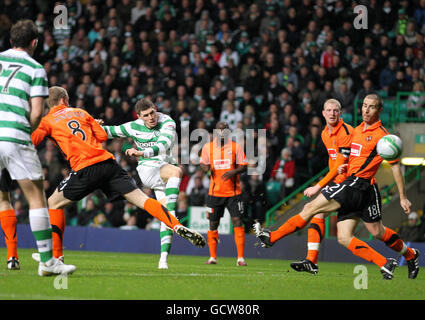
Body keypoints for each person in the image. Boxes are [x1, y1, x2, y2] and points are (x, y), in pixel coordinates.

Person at [30, 87, 205, 265]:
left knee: (53, 203)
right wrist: (91, 125)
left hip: (85, 168)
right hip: (109, 164)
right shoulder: (80, 112)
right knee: (143, 200)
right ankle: (176, 225)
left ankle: (56, 256)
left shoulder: (47, 121)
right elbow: (101, 136)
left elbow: (32, 140)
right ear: (64, 100)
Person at [255, 94, 420, 280]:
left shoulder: (383, 137)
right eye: (364, 105)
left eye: (371, 107)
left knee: (311, 208)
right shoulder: (355, 131)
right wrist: (341, 166)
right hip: (359, 187)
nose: (366, 110)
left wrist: (403, 196)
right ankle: (403, 257)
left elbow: (396, 166)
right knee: (362, 234)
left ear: (379, 110)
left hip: (358, 185)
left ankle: (273, 238)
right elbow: (344, 157)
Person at [0, 20, 76, 276]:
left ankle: (14, 256)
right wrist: (26, 131)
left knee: (1, 198)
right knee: (36, 198)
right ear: (34, 42)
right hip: (14, 136)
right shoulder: (35, 68)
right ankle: (48, 262)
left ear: (11, 40)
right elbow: (35, 114)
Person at [103, 98, 183, 270]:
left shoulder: (167, 121)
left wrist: (141, 151)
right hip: (148, 170)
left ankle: (163, 260)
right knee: (176, 172)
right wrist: (91, 124)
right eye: (146, 115)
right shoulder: (132, 126)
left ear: (156, 109)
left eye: (152, 112)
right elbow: (110, 131)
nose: (151, 117)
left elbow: (164, 145)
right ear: (139, 116)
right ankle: (172, 213)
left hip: (163, 168)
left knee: (166, 218)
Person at [289, 99, 353, 274]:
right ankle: (311, 261)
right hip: (339, 182)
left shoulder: (346, 132)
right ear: (324, 113)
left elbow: (342, 161)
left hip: (352, 183)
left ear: (340, 113)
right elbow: (333, 161)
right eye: (329, 110)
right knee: (317, 213)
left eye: (336, 110)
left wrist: (318, 186)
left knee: (369, 231)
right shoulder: (325, 134)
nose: (332, 113)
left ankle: (394, 259)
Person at [200, 122, 248, 266]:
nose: (221, 132)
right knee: (213, 223)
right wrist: (205, 167)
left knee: (237, 222)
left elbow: (244, 166)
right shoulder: (208, 147)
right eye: (219, 130)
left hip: (234, 193)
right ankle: (213, 257)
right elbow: (202, 164)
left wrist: (233, 171)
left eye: (224, 130)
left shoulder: (236, 147)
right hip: (214, 193)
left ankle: (240, 258)